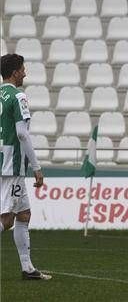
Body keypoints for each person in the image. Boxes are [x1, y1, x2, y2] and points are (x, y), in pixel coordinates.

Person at [0, 54, 51, 280]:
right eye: (22, 69)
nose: (25, 73)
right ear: (14, 72)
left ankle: (28, 268)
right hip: (13, 165)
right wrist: (37, 167)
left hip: (2, 160)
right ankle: (28, 269)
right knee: (7, 219)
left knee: (23, 214)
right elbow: (22, 133)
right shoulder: (18, 96)